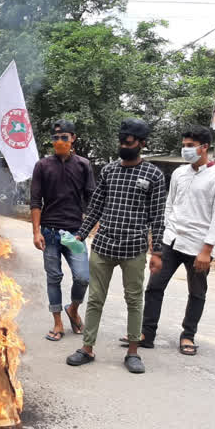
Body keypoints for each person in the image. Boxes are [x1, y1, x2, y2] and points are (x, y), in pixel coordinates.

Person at [66, 119, 166, 374]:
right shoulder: (110, 170)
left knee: (134, 300)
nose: (124, 144)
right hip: (103, 246)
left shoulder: (153, 175)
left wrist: (157, 252)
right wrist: (80, 235)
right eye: (122, 140)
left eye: (129, 141)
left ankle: (133, 352)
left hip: (134, 248)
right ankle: (87, 348)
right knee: (95, 299)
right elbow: (96, 206)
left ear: (142, 143)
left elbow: (157, 216)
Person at [135, 126, 215, 355]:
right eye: (184, 145)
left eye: (190, 146)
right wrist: (161, 237)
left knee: (196, 293)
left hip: (199, 246)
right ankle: (147, 334)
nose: (186, 150)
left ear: (204, 147)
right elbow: (170, 205)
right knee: (154, 287)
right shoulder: (180, 173)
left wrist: (207, 250)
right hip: (172, 241)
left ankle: (188, 335)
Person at [30, 120, 95, 341]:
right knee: (54, 277)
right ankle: (57, 322)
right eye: (56, 138)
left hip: (75, 233)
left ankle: (73, 309)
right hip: (49, 231)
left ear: (73, 138)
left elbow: (91, 199)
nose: (59, 141)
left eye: (64, 137)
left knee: (83, 277)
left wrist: (88, 227)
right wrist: (36, 232)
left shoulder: (83, 165)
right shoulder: (42, 165)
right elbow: (35, 201)